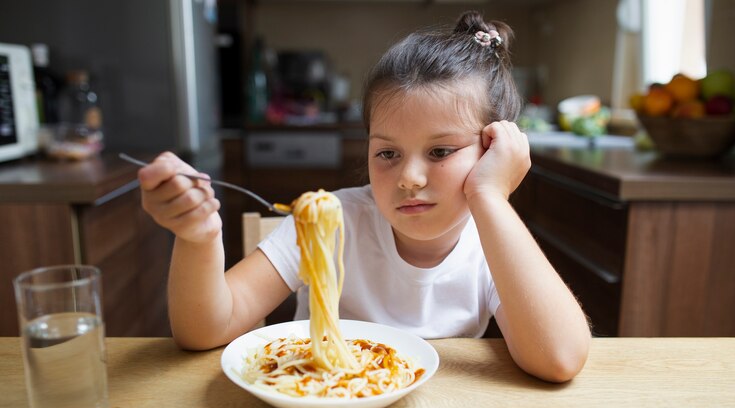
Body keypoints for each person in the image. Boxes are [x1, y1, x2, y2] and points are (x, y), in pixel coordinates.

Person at [137, 11, 591, 382]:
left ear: (493, 149)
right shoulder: (331, 220)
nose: (409, 177)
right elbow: (204, 329)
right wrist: (198, 236)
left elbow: (560, 358)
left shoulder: (491, 242)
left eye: (440, 151)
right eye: (388, 152)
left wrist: (491, 197)